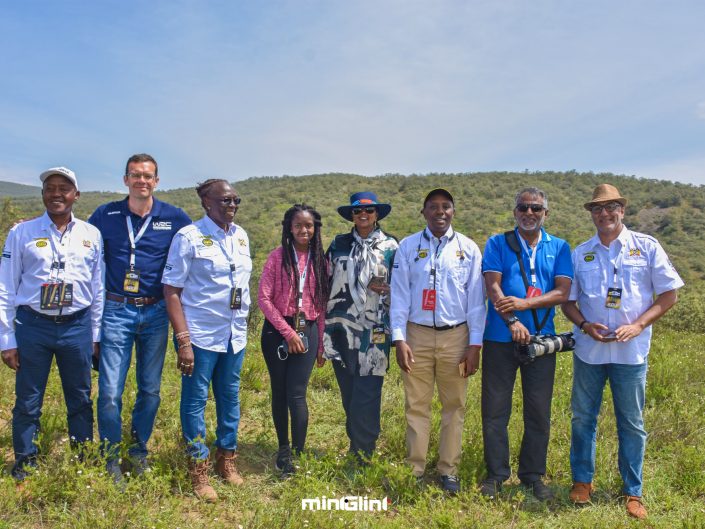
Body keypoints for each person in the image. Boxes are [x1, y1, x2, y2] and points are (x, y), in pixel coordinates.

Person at [561, 184, 683, 520]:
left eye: (610, 207)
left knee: (631, 423)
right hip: (590, 352)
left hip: (631, 353)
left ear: (622, 210)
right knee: (583, 419)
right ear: (591, 214)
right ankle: (582, 482)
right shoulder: (580, 252)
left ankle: (633, 492)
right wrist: (586, 326)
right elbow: (568, 302)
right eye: (597, 208)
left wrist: (639, 325)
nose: (604, 214)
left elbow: (668, 295)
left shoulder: (646, 247)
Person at [89, 153, 190, 482]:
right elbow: (78, 244)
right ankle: (109, 456)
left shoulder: (174, 218)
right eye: (135, 175)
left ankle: (138, 450)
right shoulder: (105, 215)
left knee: (150, 389)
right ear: (125, 180)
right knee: (109, 392)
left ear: (157, 181)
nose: (141, 181)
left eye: (147, 176)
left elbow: (197, 252)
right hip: (116, 310)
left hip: (156, 311)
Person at [0, 167, 104, 481]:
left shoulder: (91, 235)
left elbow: (97, 287)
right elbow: (6, 285)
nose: (56, 194)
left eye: (64, 188)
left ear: (76, 195)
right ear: (43, 194)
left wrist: (95, 334)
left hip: (77, 326)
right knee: (28, 400)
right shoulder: (22, 232)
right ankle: (24, 467)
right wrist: (7, 338)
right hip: (33, 326)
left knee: (80, 398)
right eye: (50, 188)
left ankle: (83, 461)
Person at [479, 187, 573, 500]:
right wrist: (512, 321)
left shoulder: (559, 247)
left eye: (536, 208)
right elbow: (492, 286)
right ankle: (496, 474)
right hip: (499, 339)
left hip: (542, 342)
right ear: (515, 211)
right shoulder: (497, 243)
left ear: (546, 213)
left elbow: (562, 293)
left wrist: (524, 306)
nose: (529, 213)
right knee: (495, 412)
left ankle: (532, 476)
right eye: (523, 208)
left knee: (538, 412)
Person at [390, 188, 486, 494]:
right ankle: (415, 468)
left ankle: (448, 470)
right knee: (416, 405)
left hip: (456, 337)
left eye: (446, 206)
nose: (440, 212)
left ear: (454, 212)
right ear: (424, 212)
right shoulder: (408, 247)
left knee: (453, 406)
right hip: (415, 335)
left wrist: (475, 344)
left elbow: (476, 301)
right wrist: (398, 338)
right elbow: (400, 296)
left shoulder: (468, 249)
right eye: (433, 207)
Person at [163, 179, 251, 502]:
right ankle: (197, 468)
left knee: (230, 397)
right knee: (196, 400)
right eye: (225, 200)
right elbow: (171, 290)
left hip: (233, 334)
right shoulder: (189, 237)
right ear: (206, 203)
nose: (232, 205)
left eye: (235, 200)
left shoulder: (241, 236)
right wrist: (183, 339)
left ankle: (226, 459)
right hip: (199, 334)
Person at [323, 192, 398, 462]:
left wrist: (389, 290)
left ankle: (364, 450)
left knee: (368, 391)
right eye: (357, 212)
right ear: (351, 216)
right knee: (349, 390)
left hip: (375, 329)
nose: (363, 215)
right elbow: (324, 281)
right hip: (340, 327)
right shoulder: (338, 244)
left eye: (369, 211)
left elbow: (402, 286)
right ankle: (356, 441)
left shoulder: (391, 246)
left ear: (377, 214)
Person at [258, 204, 329, 477]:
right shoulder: (277, 258)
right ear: (289, 227)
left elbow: (321, 306)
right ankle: (283, 447)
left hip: (307, 330)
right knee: (280, 391)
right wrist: (287, 334)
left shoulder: (321, 262)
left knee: (297, 394)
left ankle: (297, 454)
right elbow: (264, 299)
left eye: (309, 225)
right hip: (277, 330)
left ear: (315, 229)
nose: (304, 230)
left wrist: (320, 344)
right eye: (298, 225)